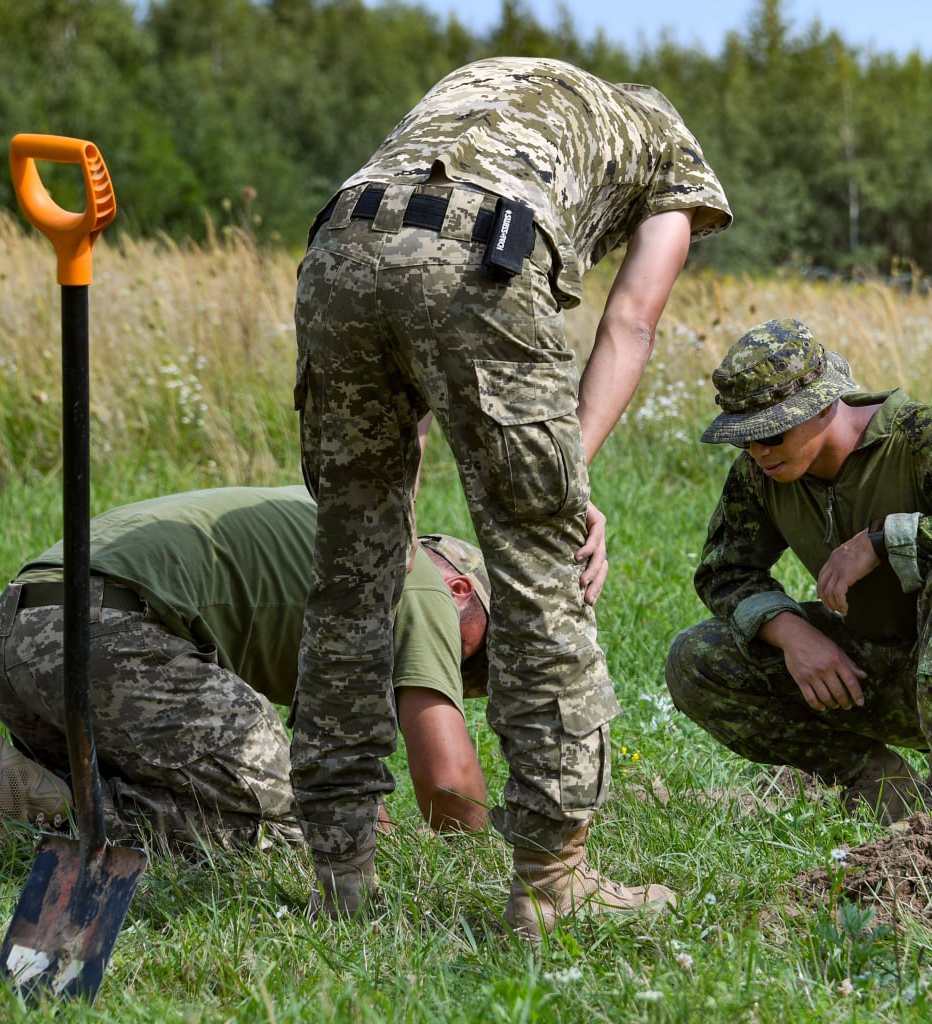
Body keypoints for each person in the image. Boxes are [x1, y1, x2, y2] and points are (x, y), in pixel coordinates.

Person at [293, 56, 731, 934]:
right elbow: (633, 319)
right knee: (541, 581)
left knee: (352, 579)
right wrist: (569, 475)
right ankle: (551, 883)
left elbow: (395, 276)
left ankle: (340, 874)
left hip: (338, 245)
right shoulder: (670, 152)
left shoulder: (488, 84)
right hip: (482, 259)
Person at [0, 486, 491, 857]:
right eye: (470, 656)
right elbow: (448, 785)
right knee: (295, 834)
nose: (455, 673)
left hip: (12, 634)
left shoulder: (347, 543)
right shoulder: (413, 576)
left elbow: (331, 766)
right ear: (460, 589)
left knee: (288, 802)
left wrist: (374, 830)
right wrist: (481, 861)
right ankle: (34, 812)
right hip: (108, 634)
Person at [665, 319, 932, 827]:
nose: (759, 451)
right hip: (879, 669)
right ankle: (878, 782)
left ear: (825, 406)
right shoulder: (761, 475)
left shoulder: (925, 437)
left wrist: (884, 541)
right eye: (745, 439)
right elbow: (725, 571)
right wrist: (792, 636)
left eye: (772, 433)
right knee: (696, 658)